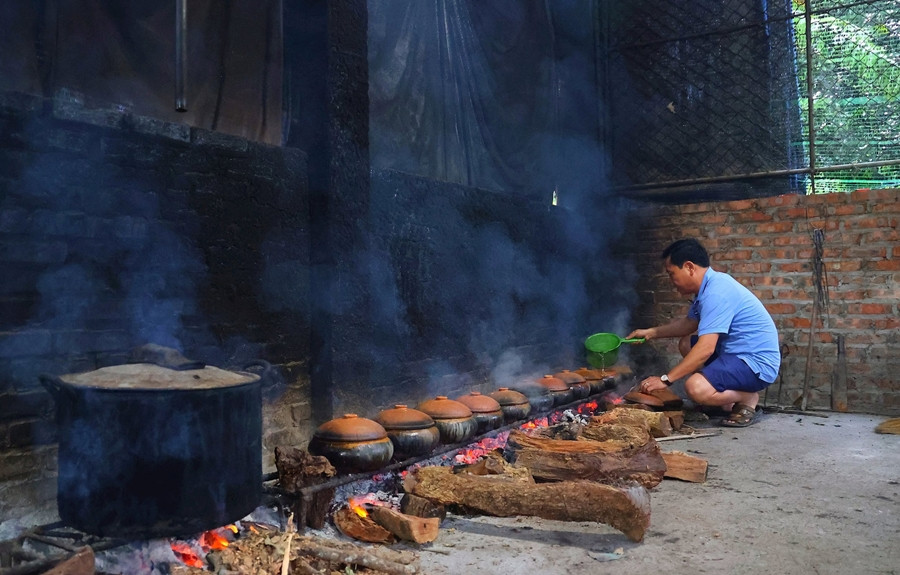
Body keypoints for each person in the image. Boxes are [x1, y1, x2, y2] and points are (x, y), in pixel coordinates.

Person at [627, 238, 780, 427]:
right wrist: (651, 332)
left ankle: (747, 398)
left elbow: (706, 348)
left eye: (671, 273)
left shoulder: (716, 292)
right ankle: (725, 400)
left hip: (755, 364)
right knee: (686, 343)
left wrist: (665, 380)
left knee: (695, 388)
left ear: (689, 267)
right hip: (736, 356)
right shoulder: (707, 289)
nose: (671, 281)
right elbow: (689, 324)